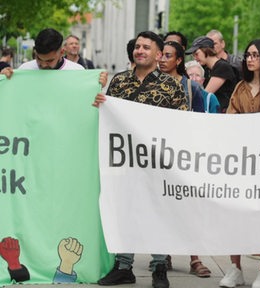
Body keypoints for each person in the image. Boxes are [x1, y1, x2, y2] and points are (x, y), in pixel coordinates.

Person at [93, 31, 188, 288]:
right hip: (123, 161)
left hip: (157, 162)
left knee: (157, 212)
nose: (140, 51)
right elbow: (107, 117)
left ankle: (159, 266)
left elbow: (185, 123)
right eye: (137, 47)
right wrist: (101, 103)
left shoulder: (171, 86)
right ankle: (123, 266)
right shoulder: (120, 82)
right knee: (124, 211)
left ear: (158, 55)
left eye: (146, 47)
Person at [220, 39, 260, 288]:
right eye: (248, 55)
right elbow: (230, 118)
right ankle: (235, 266)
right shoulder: (239, 86)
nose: (250, 59)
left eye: (255, 55)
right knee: (235, 215)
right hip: (239, 159)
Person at [186, 36, 238, 113]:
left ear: (206, 50)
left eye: (196, 54)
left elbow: (205, 95)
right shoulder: (207, 69)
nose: (195, 58)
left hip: (224, 115)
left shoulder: (222, 66)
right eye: (193, 55)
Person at [160, 40, 204, 112]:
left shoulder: (192, 86)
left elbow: (199, 116)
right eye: (161, 55)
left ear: (178, 60)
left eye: (168, 56)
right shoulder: (152, 83)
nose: (162, 60)